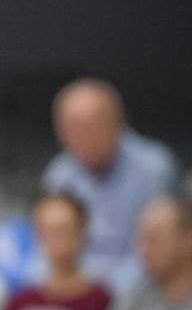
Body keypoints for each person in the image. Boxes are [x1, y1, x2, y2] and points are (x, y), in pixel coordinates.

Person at [42, 78, 180, 294]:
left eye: (92, 126)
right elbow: (50, 246)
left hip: (141, 289)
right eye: (73, 128)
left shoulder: (154, 168)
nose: (84, 137)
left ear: (118, 122)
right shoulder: (59, 175)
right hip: (77, 289)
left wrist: (100, 290)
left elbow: (162, 249)